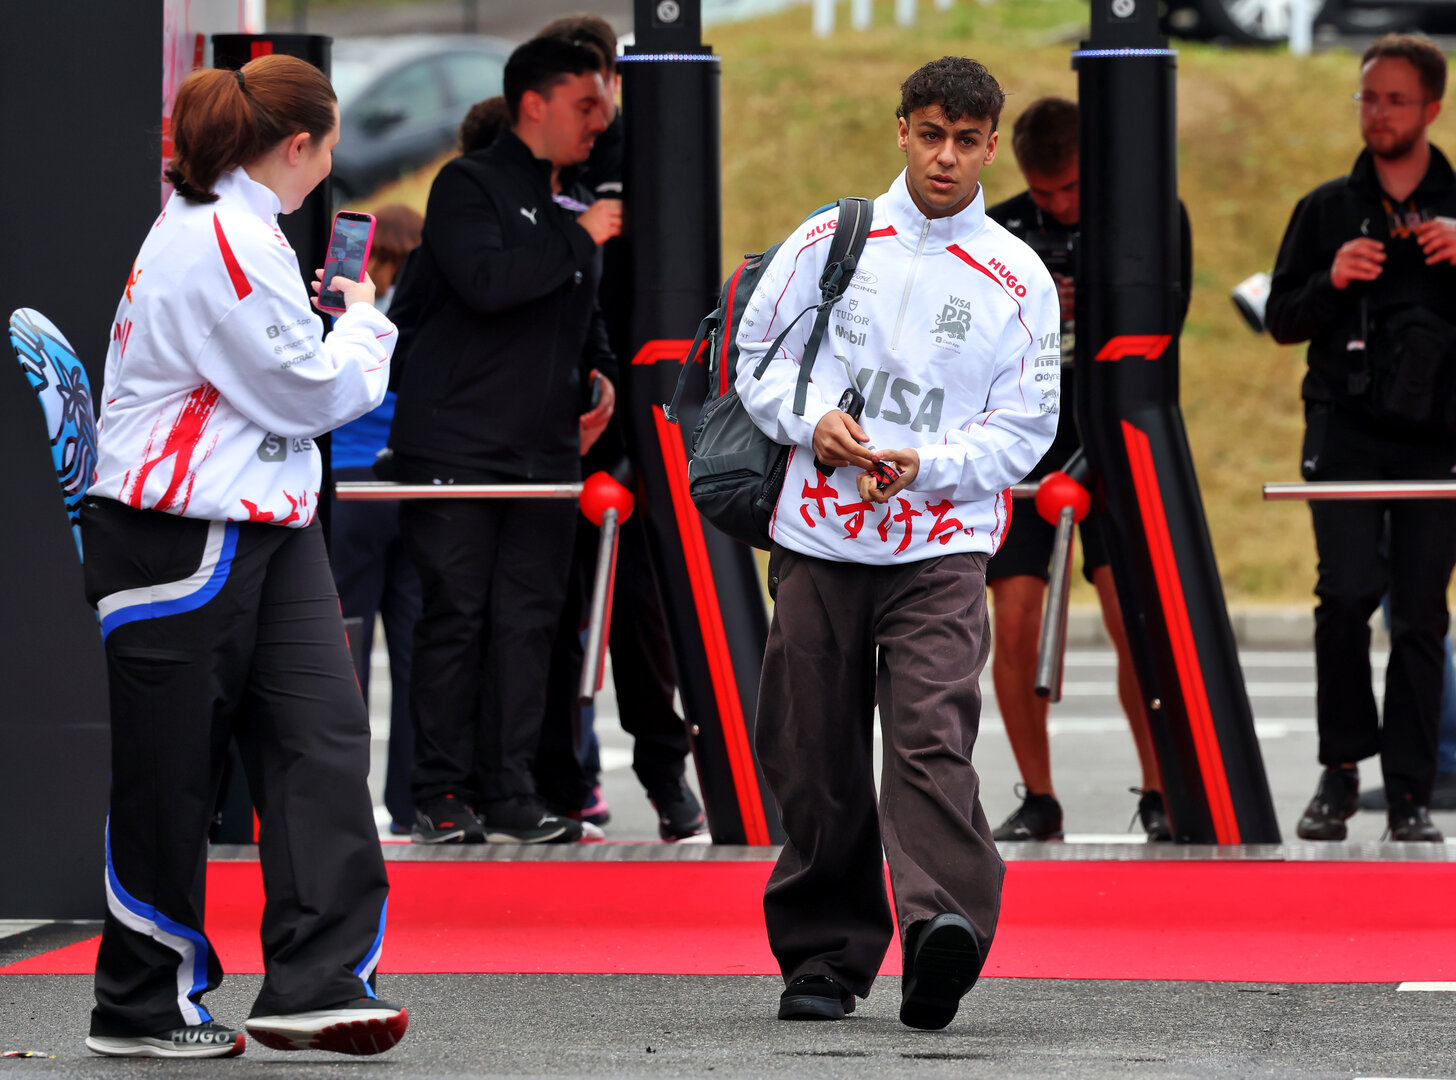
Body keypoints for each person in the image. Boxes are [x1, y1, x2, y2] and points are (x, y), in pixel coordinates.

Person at [81, 55, 406, 1057]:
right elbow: (305, 393)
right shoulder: (223, 237)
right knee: (169, 775)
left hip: (255, 518)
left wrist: (324, 333)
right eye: (333, 139)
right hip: (185, 529)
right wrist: (364, 327)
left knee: (321, 743)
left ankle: (317, 979)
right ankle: (140, 1002)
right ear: (300, 144)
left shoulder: (229, 229)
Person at [734, 56, 1057, 1029]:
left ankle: (940, 935)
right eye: (929, 134)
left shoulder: (1017, 275)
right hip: (817, 536)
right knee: (812, 754)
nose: (946, 158)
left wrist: (930, 461)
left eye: (966, 140)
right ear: (900, 132)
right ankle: (826, 956)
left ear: (991, 144)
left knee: (928, 743)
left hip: (942, 544)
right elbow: (756, 358)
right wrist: (814, 423)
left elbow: (1025, 426)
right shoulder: (831, 237)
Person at [1266, 34, 1456, 843]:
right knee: (1345, 596)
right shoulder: (1324, 210)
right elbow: (1280, 318)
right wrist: (1331, 279)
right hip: (1344, 432)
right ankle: (1341, 773)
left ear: (1432, 109)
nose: (1375, 113)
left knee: (1421, 613)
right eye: (1366, 97)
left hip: (1439, 441)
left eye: (1391, 99)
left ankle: (1414, 792)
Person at [387, 37, 620, 845]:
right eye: (586, 105)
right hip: (456, 446)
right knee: (456, 617)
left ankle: (513, 793)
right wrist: (579, 238)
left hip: (545, 451)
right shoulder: (468, 184)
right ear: (536, 104)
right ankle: (440, 793)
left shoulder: (569, 202)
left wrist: (601, 372)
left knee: (530, 623)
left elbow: (582, 316)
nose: (601, 121)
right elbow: (489, 285)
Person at [983, 97, 1191, 844]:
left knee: (1131, 622)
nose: (1059, 206)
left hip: (1112, 442)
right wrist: (1028, 311)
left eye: (1070, 190)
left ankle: (1160, 788)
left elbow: (1164, 327)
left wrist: (1093, 310)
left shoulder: (1148, 218)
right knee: (1014, 622)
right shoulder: (996, 232)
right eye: (1044, 195)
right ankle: (1038, 795)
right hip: (1025, 448)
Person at [532, 14, 707, 841]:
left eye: (604, 99)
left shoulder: (640, 155)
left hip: (631, 405)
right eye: (586, 103)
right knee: (550, 608)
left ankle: (666, 773)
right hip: (545, 409)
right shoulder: (533, 171)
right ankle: (559, 780)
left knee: (640, 610)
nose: (596, 120)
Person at [329, 203, 424, 836]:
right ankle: (412, 800)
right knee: (416, 651)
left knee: (344, 650)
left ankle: (339, 798)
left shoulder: (343, 319)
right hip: (406, 486)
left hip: (346, 488)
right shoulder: (417, 322)